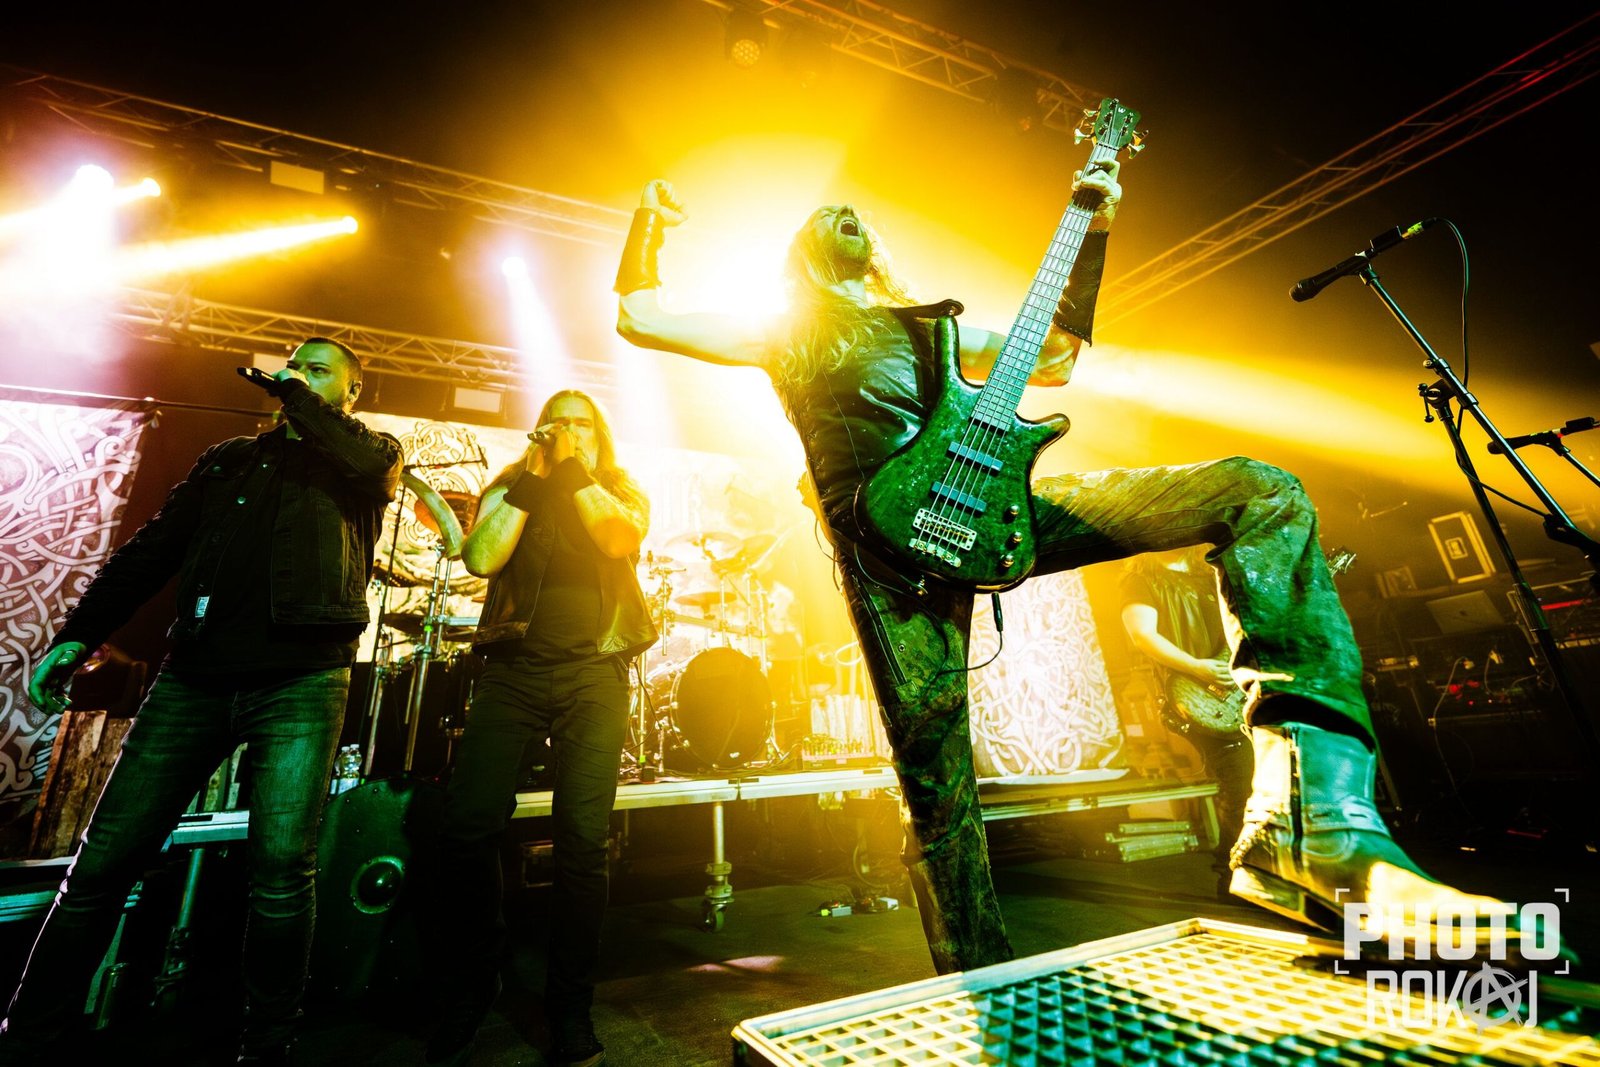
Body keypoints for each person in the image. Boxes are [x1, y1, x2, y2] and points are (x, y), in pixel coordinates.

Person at [613, 175, 1533, 972]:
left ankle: (1315, 819)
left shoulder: (936, 330)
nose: (841, 211)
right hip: (890, 550)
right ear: (803, 256)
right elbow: (640, 315)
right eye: (823, 215)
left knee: (1261, 492)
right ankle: (983, 987)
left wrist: (1094, 231)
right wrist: (648, 224)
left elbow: (1051, 357)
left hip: (988, 504)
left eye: (854, 209)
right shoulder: (788, 330)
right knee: (940, 791)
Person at [3, 338, 401, 1064]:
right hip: (194, 676)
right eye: (293, 365)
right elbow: (151, 550)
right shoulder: (228, 461)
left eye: (316, 371)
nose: (296, 374)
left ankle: (268, 1042)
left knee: (281, 874)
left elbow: (368, 461)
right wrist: (79, 633)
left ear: (350, 395)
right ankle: (28, 1037)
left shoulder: (364, 460)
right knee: (99, 869)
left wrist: (296, 397)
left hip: (301, 680)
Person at [421, 390, 654, 1067]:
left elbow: (617, 539)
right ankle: (477, 978)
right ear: (539, 433)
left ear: (598, 437)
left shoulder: (619, 492)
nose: (569, 432)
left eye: (582, 424)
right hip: (512, 673)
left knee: (583, 841)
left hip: (593, 674)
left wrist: (574, 470)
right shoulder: (510, 487)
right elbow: (481, 559)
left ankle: (569, 1005)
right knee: (467, 825)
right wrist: (535, 475)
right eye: (558, 423)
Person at [1120, 545, 1253, 899]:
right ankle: (1232, 875)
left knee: (1259, 779)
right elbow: (1143, 635)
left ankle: (1260, 870)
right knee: (1239, 780)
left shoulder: (1211, 571)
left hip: (1240, 687)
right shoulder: (1140, 580)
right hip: (1197, 693)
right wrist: (1197, 667)